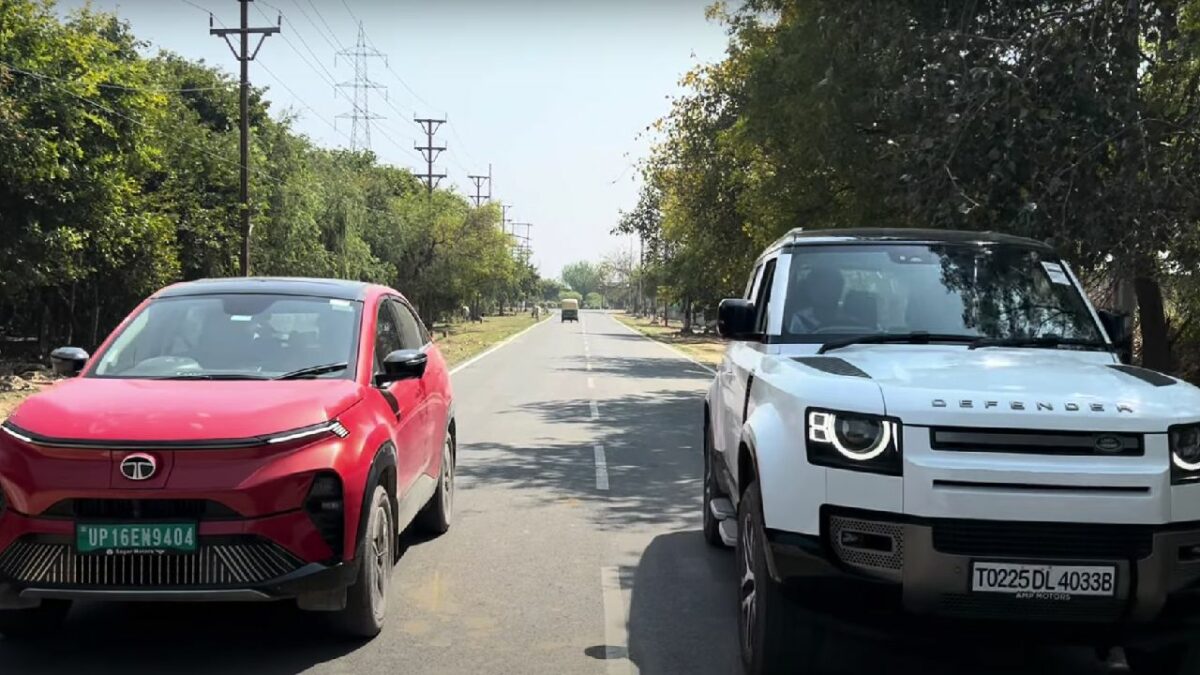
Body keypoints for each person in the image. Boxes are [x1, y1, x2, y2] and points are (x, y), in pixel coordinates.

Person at [788, 265, 845, 333]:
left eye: (832, 286)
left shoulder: (853, 321)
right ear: (809, 290)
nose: (826, 292)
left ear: (840, 290)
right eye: (820, 286)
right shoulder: (798, 320)